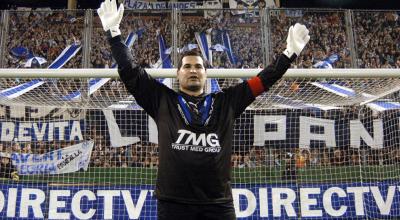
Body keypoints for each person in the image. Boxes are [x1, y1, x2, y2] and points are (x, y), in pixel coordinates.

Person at [97, 0, 310, 219]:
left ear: (205, 75)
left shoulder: (226, 102)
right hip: (173, 205)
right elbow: (130, 72)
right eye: (187, 66)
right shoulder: (162, 100)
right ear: (178, 74)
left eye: (198, 66)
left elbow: (263, 81)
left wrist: (289, 53)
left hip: (218, 205)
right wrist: (113, 33)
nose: (193, 70)